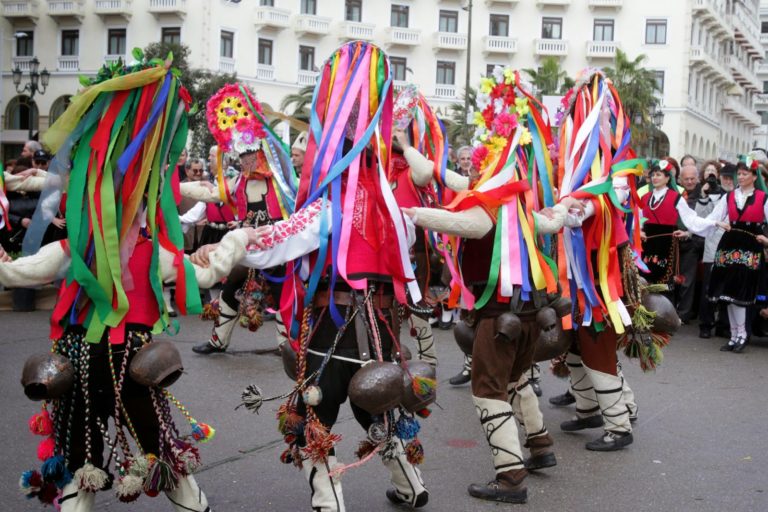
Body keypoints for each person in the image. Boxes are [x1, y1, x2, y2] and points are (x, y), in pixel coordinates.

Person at [194, 42, 429, 511]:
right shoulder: (391, 204)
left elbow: (278, 239)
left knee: (312, 417)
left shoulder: (326, 207)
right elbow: (407, 258)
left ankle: (329, 503)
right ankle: (412, 486)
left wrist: (229, 246)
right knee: (376, 407)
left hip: (332, 330)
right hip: (381, 331)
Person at [0, 56, 216, 512]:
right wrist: (229, 248)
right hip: (130, 362)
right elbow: (204, 277)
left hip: (88, 361)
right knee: (152, 447)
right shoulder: (150, 253)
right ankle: (196, 506)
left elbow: (19, 271)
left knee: (84, 455)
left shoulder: (74, 252)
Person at [403, 68, 563, 504]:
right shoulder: (517, 198)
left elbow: (465, 223)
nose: (475, 159)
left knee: (488, 391)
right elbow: (449, 179)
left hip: (500, 317)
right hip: (529, 314)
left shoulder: (492, 203)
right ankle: (541, 446)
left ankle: (510, 477)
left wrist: (410, 214)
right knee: (516, 381)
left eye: (483, 152)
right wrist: (406, 148)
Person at [185, 83, 296, 355]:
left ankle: (286, 345)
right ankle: (218, 340)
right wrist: (170, 187)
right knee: (230, 285)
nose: (246, 160)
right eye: (242, 155)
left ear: (261, 154)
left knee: (282, 293)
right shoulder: (237, 183)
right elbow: (210, 193)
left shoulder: (280, 184)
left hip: (275, 246)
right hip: (247, 245)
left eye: (250, 155)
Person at [707, 159, 768, 352]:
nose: (741, 177)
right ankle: (734, 335)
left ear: (754, 176)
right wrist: (719, 223)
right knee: (728, 293)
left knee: (741, 293)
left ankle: (742, 334)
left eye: (745, 174)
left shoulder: (763, 197)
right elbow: (713, 217)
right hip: (729, 245)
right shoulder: (729, 197)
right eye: (739, 174)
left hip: (750, 245)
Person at [639, 157, 724, 296]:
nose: (655, 177)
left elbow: (691, 219)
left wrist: (714, 223)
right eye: (653, 175)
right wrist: (639, 231)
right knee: (645, 281)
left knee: (664, 285)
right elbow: (637, 220)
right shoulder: (645, 197)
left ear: (667, 178)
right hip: (647, 244)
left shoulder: (676, 198)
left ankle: (666, 315)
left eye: (659, 174)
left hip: (666, 245)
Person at [698, 162, 732, 339]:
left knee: (727, 289)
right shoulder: (713, 194)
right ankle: (706, 324)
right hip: (712, 247)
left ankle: (724, 325)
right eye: (724, 177)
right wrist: (704, 195)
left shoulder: (736, 196)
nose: (727, 181)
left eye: (729, 177)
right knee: (708, 288)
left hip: (730, 248)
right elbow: (701, 218)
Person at [676, 165, 705, 323]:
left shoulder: (703, 194)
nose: (689, 181)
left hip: (693, 242)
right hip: (675, 242)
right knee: (674, 279)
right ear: (680, 179)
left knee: (688, 280)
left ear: (698, 178)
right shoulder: (677, 193)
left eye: (692, 178)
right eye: (686, 179)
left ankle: (684, 313)